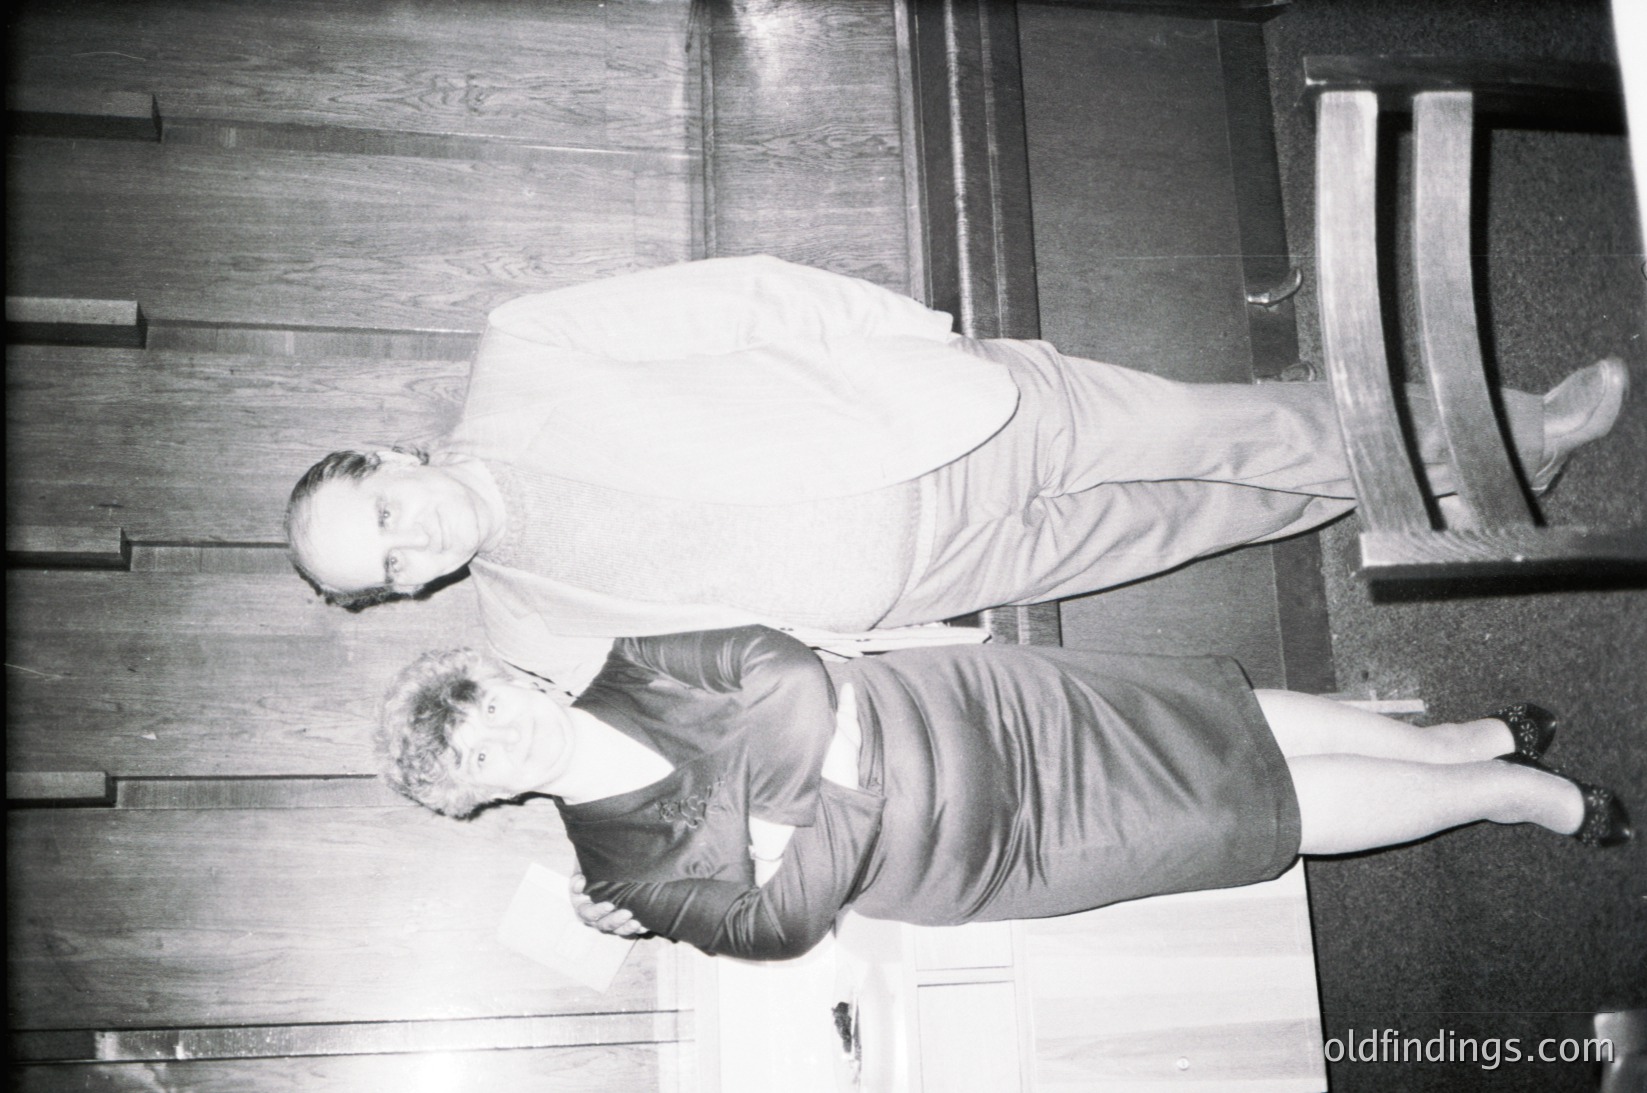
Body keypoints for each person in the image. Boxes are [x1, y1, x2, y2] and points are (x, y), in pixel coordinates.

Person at [287, 256, 1630, 694]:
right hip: (938, 574)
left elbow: (742, 295)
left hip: (963, 419)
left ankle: (1519, 431)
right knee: (1216, 515)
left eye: (385, 514)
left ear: (391, 456)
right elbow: (715, 683)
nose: (415, 547)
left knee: (1228, 430)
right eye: (389, 570)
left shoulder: (523, 352)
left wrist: (910, 335)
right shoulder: (526, 635)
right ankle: (1432, 488)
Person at [376, 626, 1631, 961]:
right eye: (473, 758)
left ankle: (1459, 742)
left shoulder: (637, 663)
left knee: (1225, 719)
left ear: (510, 674)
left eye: (484, 703)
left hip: (986, 703)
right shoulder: (617, 875)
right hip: (987, 850)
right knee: (1249, 813)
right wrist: (837, 787)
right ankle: (1505, 797)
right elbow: (775, 925)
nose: (504, 734)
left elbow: (782, 666)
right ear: (480, 800)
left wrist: (789, 816)